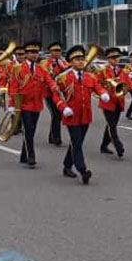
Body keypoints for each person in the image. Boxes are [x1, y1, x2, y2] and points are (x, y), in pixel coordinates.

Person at [52, 45, 110, 185]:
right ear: (71, 62)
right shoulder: (63, 78)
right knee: (77, 143)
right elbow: (56, 95)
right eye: (77, 59)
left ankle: (67, 166)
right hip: (71, 115)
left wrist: (103, 94)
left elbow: (97, 87)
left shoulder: (90, 77)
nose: (81, 61)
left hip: (85, 115)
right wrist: (63, 107)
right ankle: (83, 171)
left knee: (76, 142)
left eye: (82, 59)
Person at [7, 40, 54, 169]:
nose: (34, 55)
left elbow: (49, 81)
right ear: (26, 54)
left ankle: (24, 154)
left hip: (37, 104)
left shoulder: (41, 68)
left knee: (31, 130)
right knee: (28, 129)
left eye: (36, 52)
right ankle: (31, 156)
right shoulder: (18, 68)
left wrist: (56, 89)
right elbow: (13, 87)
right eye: (31, 52)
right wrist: (12, 105)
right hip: (24, 104)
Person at [98, 47, 132, 158]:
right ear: (108, 59)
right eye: (113, 58)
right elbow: (96, 83)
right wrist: (103, 92)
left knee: (112, 124)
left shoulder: (122, 71)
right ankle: (118, 145)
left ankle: (103, 145)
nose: (115, 59)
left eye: (117, 57)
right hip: (107, 102)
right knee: (112, 125)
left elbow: (128, 81)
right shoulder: (103, 71)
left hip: (119, 101)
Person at [41, 42, 69, 146]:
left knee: (57, 115)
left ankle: (52, 136)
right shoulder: (45, 63)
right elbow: (45, 76)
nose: (57, 53)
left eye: (59, 51)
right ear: (50, 52)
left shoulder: (64, 62)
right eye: (55, 51)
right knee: (56, 114)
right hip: (49, 93)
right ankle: (56, 137)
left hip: (60, 92)